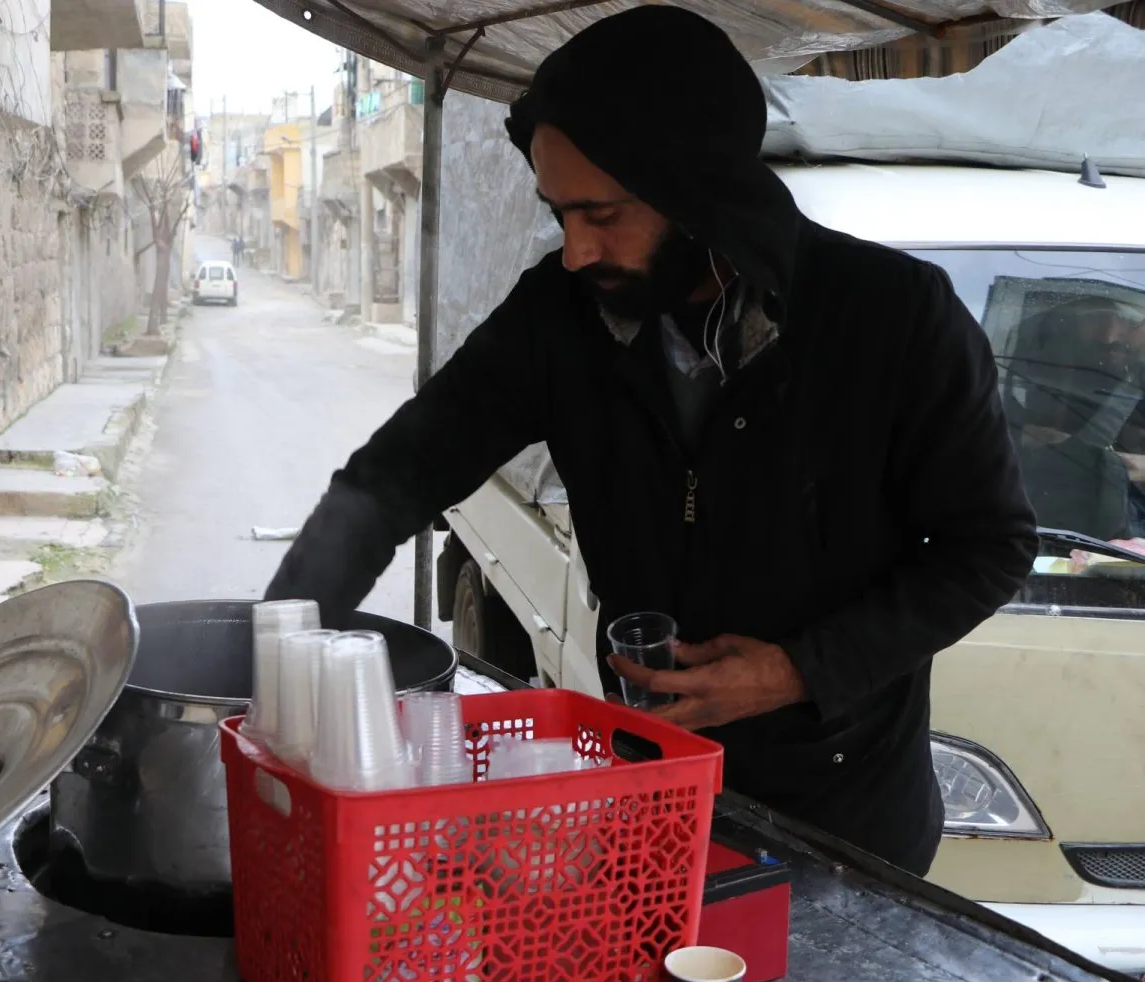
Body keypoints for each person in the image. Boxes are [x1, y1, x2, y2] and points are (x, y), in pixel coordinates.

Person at [263, 6, 1037, 875]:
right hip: (652, 795)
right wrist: (271, 660)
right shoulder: (558, 319)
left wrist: (796, 669)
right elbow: (395, 477)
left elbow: (990, 546)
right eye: (559, 214)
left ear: (701, 195)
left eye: (601, 215)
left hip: (844, 816)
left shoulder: (893, 319)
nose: (574, 251)